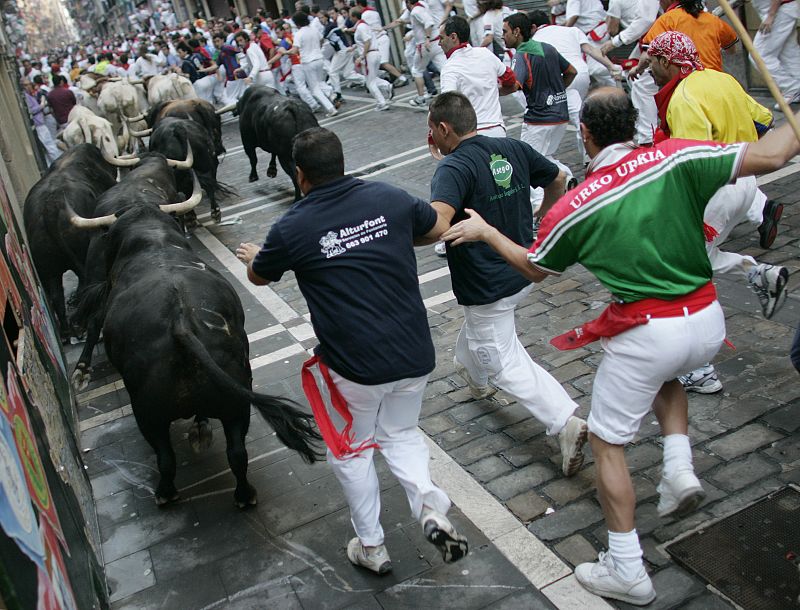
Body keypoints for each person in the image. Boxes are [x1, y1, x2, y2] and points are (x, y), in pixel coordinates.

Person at [438, 87, 800, 605]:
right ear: (633, 124)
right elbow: (778, 151)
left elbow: (534, 269)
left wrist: (488, 233)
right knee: (667, 375)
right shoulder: (678, 152)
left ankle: (626, 568)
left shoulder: (578, 204)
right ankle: (677, 469)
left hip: (648, 332)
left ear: (584, 134)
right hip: (706, 322)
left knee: (609, 444)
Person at [236, 127, 468, 575]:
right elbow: (439, 226)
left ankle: (372, 545)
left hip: (354, 367)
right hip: (414, 352)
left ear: (300, 175)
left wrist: (251, 257)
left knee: (354, 448)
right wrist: (392, 233)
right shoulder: (389, 197)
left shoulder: (292, 225)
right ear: (342, 163)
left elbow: (261, 277)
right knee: (400, 433)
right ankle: (430, 508)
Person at [427, 92, 590, 478]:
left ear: (444, 129)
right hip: (520, 266)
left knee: (500, 358)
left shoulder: (453, 167)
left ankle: (564, 421)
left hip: (488, 283)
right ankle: (474, 377)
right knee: (482, 335)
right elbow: (559, 178)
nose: (431, 136)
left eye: (432, 130)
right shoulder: (511, 147)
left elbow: (436, 224)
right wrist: (544, 218)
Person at [645, 31, 787, 393]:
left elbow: (693, 161)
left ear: (668, 61)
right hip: (747, 184)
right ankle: (759, 274)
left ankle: (699, 368)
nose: (649, 69)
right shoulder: (722, 79)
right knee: (698, 259)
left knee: (683, 271)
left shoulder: (684, 96)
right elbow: (765, 119)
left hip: (717, 191)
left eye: (654, 61)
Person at [628, 0, 739, 143]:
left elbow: (648, 54)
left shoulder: (667, 19)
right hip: (718, 85)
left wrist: (637, 69)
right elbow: (732, 49)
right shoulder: (713, 20)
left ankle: (648, 140)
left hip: (688, 87)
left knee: (687, 141)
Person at [503, 12, 577, 212]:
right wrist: (558, 90)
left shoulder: (522, 54)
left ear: (517, 32)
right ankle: (568, 180)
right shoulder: (548, 48)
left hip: (539, 119)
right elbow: (571, 71)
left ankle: (539, 210)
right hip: (560, 115)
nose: (502, 36)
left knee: (528, 164)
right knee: (546, 156)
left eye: (505, 31)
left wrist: (492, 92)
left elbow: (514, 85)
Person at [528, 10, 621, 163]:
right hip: (582, 73)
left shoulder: (535, 39)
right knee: (580, 115)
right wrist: (611, 66)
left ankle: (587, 156)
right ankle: (590, 154)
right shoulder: (572, 30)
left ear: (533, 27)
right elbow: (591, 50)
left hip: (561, 77)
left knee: (572, 117)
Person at [385, 0, 447, 109]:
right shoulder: (422, 6)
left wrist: (427, 38)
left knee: (416, 70)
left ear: (409, 3)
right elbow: (403, 21)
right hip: (436, 42)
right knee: (445, 68)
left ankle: (420, 98)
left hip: (425, 45)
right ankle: (457, 91)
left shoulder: (415, 11)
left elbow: (428, 23)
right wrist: (383, 28)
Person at [750, 0, 800, 108]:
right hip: (784, 10)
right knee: (788, 54)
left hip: (780, 11)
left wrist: (771, 16)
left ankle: (791, 87)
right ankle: (796, 89)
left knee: (758, 55)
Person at [290, 11, 338, 117]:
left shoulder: (299, 34)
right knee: (320, 82)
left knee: (314, 89)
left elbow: (294, 51)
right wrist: (317, 49)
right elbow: (321, 39)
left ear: (297, 23)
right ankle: (331, 94)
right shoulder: (313, 29)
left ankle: (330, 108)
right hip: (319, 58)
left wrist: (284, 52)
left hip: (308, 62)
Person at [355, 0, 408, 86]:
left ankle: (402, 78)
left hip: (379, 39)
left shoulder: (364, 15)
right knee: (378, 63)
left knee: (383, 63)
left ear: (359, 5)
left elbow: (360, 28)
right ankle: (387, 78)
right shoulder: (374, 12)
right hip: (380, 38)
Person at [351, 8, 393, 111]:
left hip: (369, 55)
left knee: (370, 82)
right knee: (372, 78)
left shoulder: (361, 27)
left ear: (354, 17)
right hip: (374, 53)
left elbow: (367, 42)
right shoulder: (364, 25)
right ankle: (386, 85)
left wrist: (361, 56)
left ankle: (381, 102)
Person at [22, 79, 61, 165]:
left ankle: (52, 165)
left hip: (40, 123)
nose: (29, 86)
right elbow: (30, 110)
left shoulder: (29, 95)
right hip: (38, 125)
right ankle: (60, 163)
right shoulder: (26, 96)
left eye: (29, 84)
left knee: (47, 147)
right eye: (26, 85)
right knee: (50, 145)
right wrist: (41, 105)